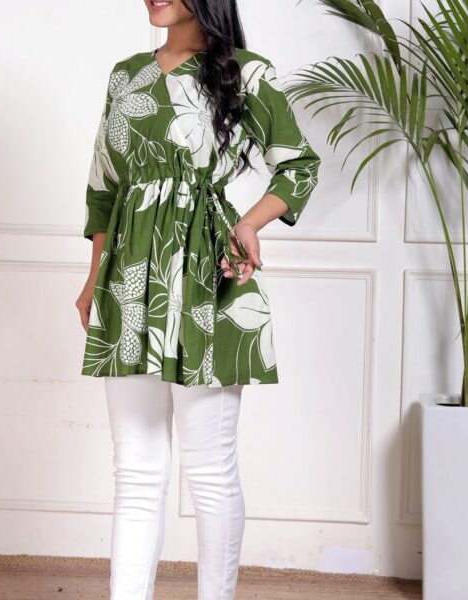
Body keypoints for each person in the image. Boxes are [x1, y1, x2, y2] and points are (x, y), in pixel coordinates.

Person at [75, 1, 321, 598]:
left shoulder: (244, 72)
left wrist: (250, 223)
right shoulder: (126, 75)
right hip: (130, 280)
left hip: (208, 275)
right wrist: (93, 280)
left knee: (209, 469)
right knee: (135, 468)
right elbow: (103, 190)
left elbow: (299, 166)